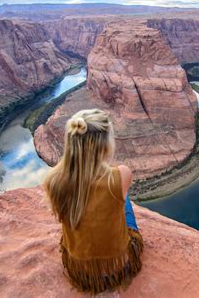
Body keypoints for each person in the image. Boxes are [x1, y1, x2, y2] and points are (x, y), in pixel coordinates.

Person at [43, 108, 143, 295]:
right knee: (125, 201)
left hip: (81, 271)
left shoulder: (53, 180)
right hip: (119, 266)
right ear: (105, 145)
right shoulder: (121, 174)